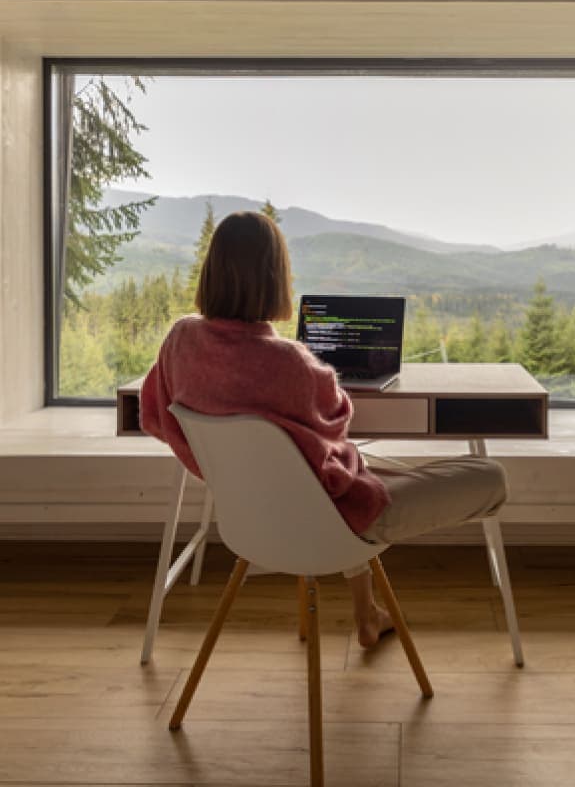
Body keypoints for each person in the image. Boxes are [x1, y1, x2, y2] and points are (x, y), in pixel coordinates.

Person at [141, 211, 507, 648]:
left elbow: (155, 409)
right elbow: (336, 421)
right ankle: (368, 612)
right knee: (490, 476)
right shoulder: (291, 364)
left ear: (212, 271)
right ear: (276, 277)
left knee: (327, 476)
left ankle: (366, 613)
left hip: (249, 522)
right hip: (333, 522)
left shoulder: (180, 339)